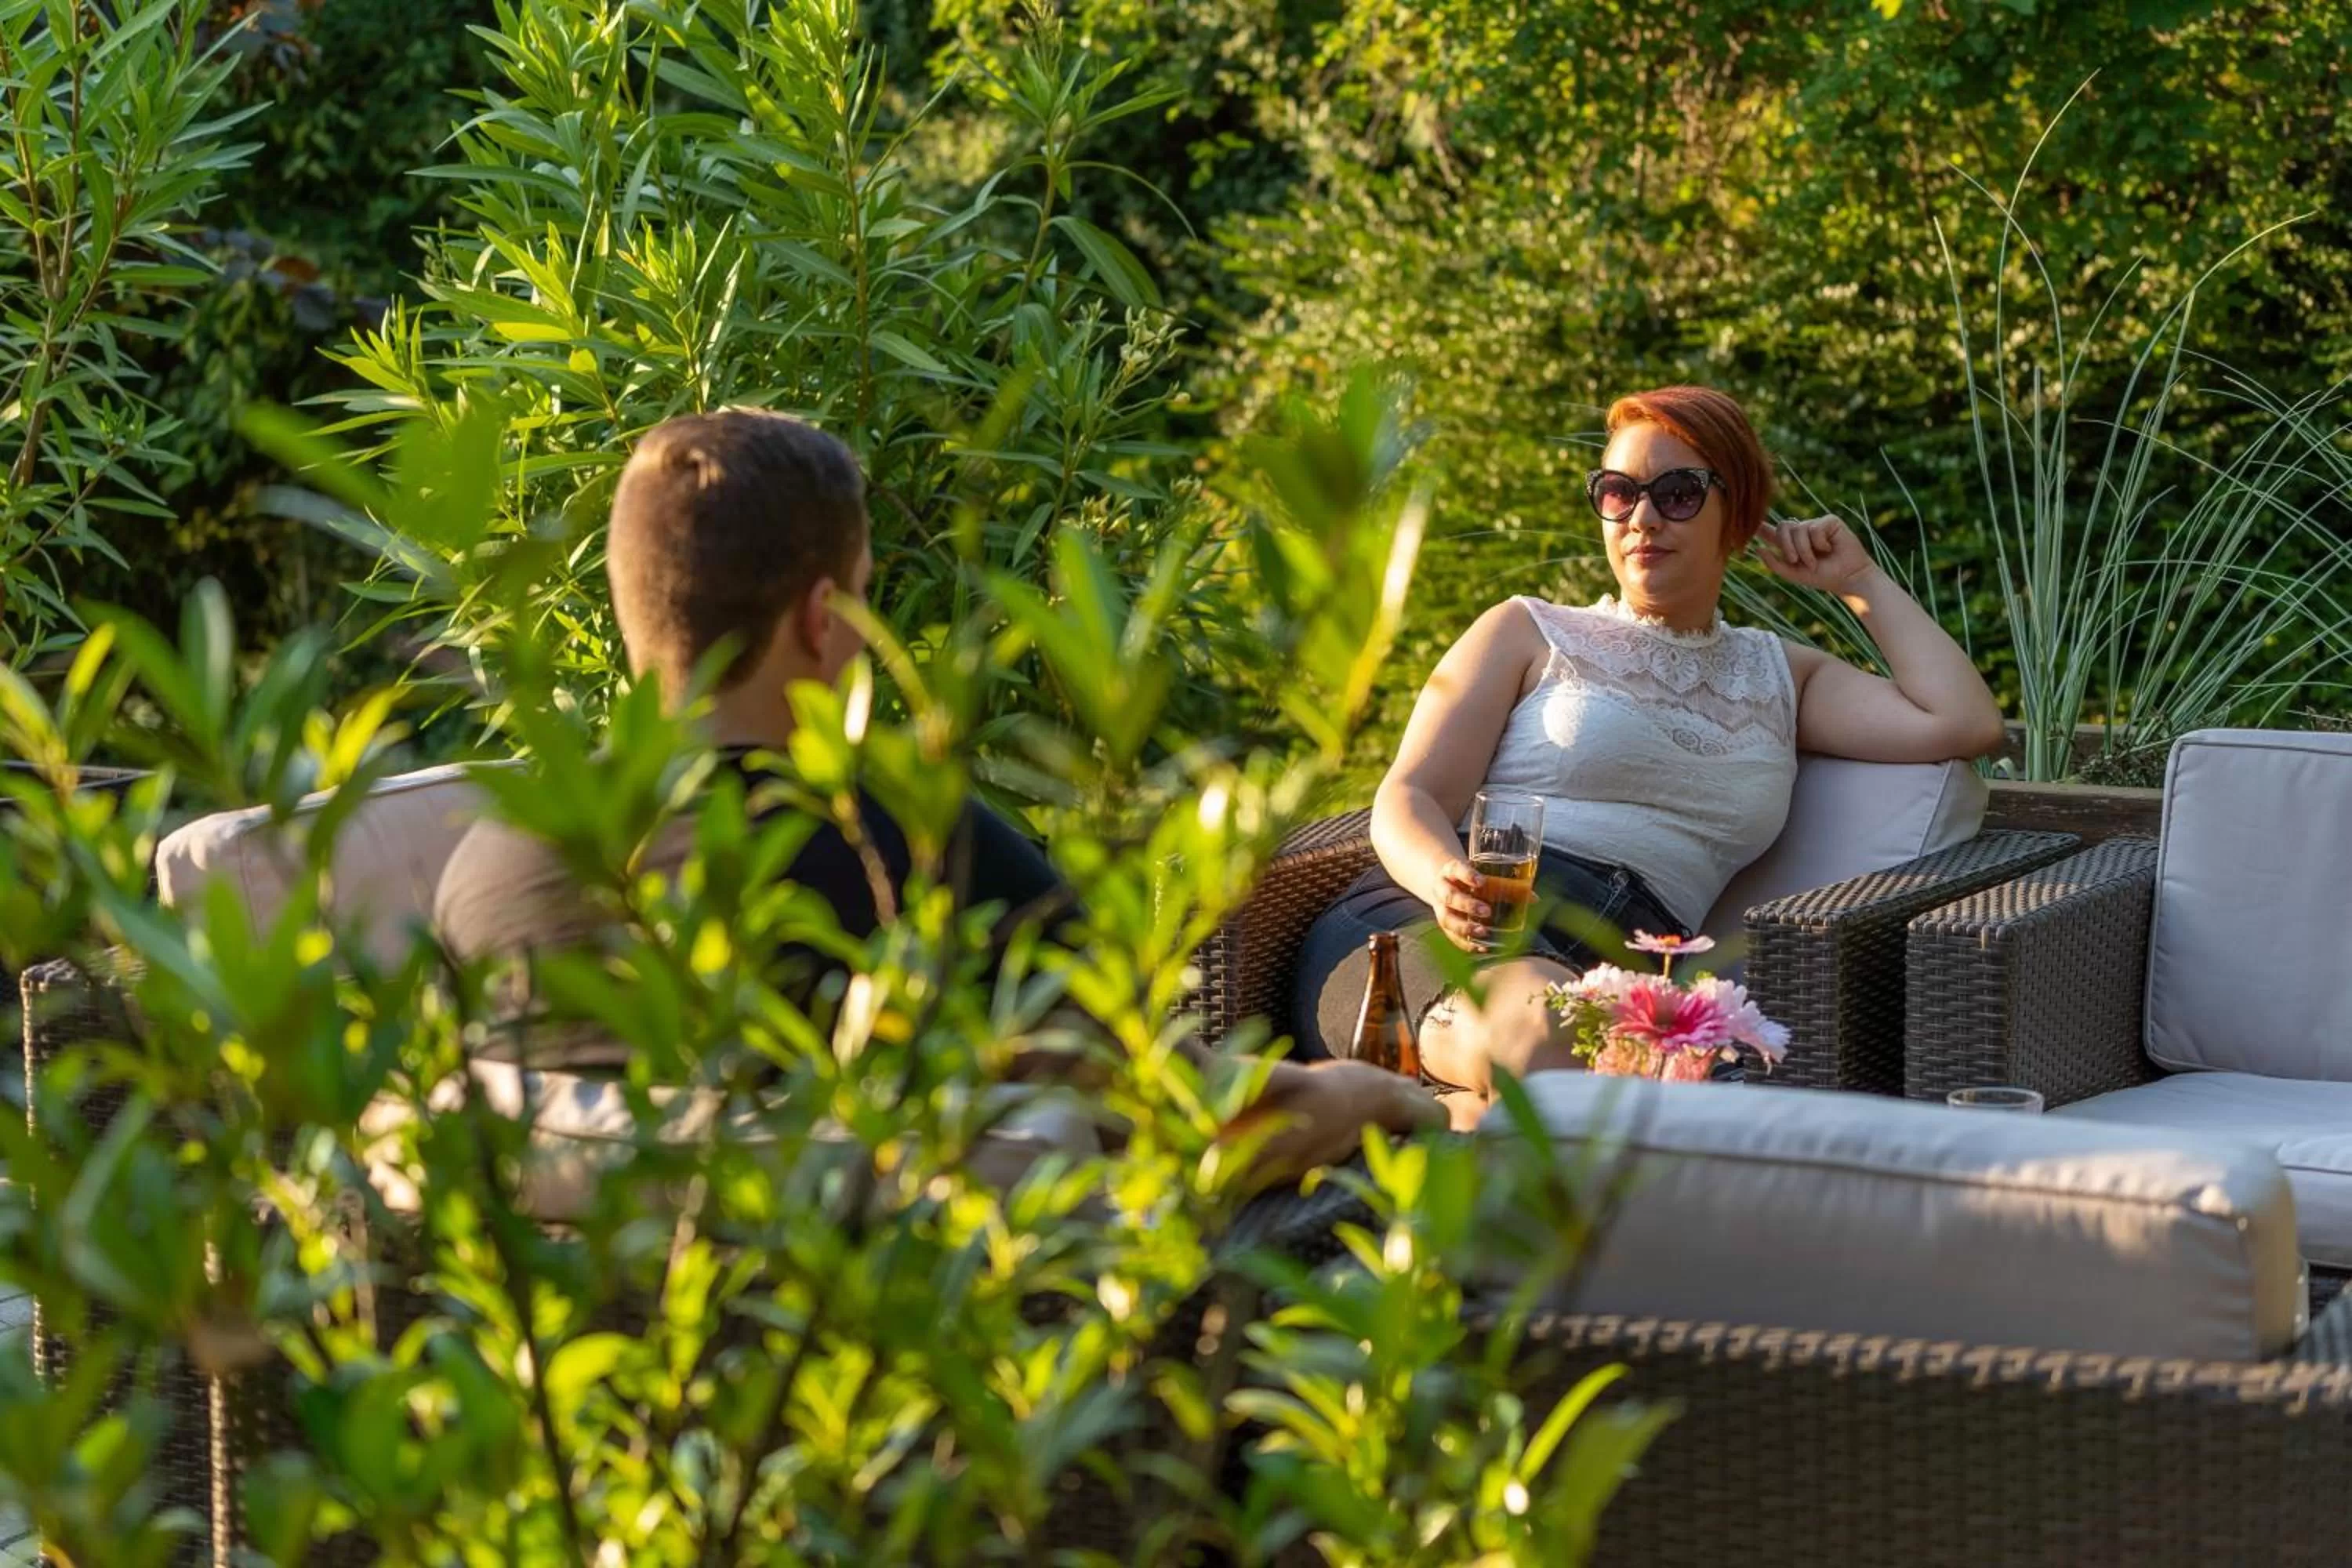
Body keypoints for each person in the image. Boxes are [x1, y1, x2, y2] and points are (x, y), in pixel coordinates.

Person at [434, 408, 1439, 1180]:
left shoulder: (493, 861)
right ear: (825, 617)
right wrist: (1378, 1099)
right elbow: (1197, 1118)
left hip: (583, 1409)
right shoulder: (912, 852)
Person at [1290, 386, 2005, 1127]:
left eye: (1678, 493)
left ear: (1740, 512)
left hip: (1607, 971)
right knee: (1550, 1043)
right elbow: (1409, 797)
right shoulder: (1529, 632)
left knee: (1554, 1076)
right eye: (1618, 492)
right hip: (1434, 930)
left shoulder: (1782, 677)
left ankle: (1374, 1116)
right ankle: (1405, 1106)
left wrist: (1858, 583)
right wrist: (1448, 883)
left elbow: (1963, 721)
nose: (1643, 517)